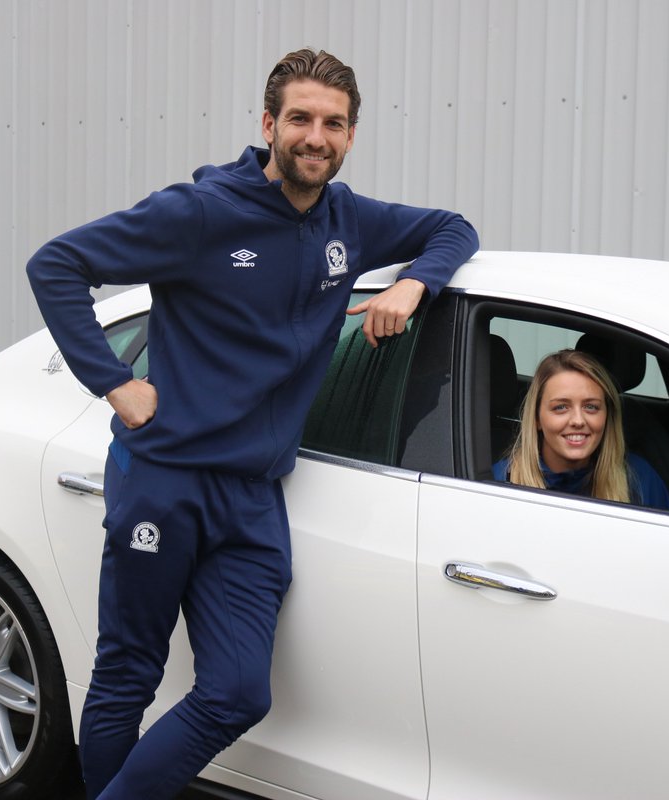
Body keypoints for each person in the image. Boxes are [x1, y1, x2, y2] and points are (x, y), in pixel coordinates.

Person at [26, 48, 478, 799]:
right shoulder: (200, 213)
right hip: (164, 479)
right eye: (300, 119)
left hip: (253, 496)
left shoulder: (349, 220)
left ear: (351, 136)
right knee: (129, 673)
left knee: (238, 693)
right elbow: (56, 265)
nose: (315, 137)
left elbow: (453, 228)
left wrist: (413, 283)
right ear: (269, 125)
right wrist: (116, 384)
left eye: (333, 123)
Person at [493, 349, 669, 509]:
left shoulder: (639, 479)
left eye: (591, 407)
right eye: (561, 407)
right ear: (536, 419)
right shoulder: (497, 482)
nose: (578, 421)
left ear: (607, 416)